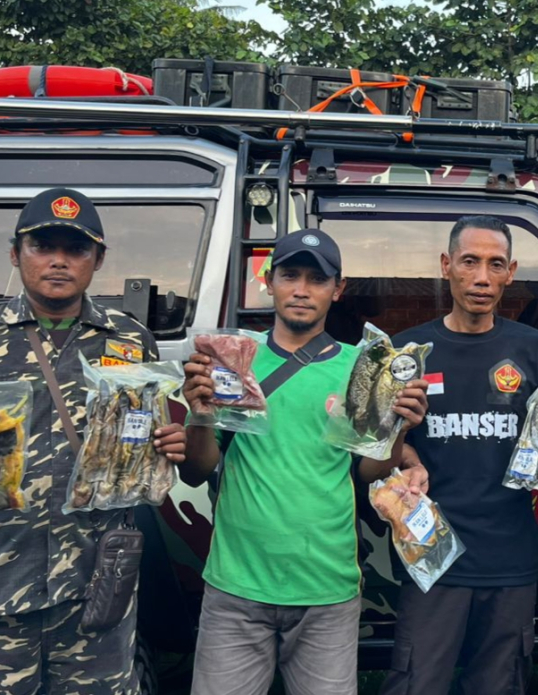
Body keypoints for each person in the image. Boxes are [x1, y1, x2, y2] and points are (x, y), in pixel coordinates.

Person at [0, 188, 187, 695]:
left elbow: (143, 443)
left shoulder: (130, 340)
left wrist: (169, 445)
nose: (58, 261)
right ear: (15, 253)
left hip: (95, 595)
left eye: (75, 249)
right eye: (41, 246)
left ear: (98, 259)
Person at [182, 228, 427, 695]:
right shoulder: (234, 360)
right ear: (268, 280)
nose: (300, 289)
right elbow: (197, 469)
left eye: (316, 279)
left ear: (338, 289)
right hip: (237, 586)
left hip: (327, 590)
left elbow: (368, 472)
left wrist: (400, 430)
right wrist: (199, 414)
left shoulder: (361, 367)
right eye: (289, 274)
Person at [367, 215, 538, 695]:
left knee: (499, 686)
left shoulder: (532, 349)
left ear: (511, 272)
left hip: (510, 556)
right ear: (447, 266)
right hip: (432, 555)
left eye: (495, 264)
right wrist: (402, 441)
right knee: (416, 684)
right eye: (470, 262)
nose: (482, 278)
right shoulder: (409, 352)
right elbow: (372, 459)